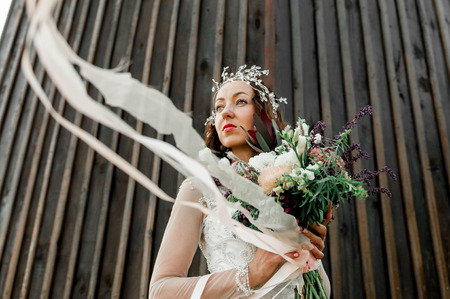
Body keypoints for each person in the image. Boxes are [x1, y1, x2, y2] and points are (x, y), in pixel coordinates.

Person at [149, 66, 331, 298]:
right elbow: (160, 291)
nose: (225, 112)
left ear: (263, 114)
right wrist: (251, 274)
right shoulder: (199, 188)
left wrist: (310, 253)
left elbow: (320, 288)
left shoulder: (294, 183)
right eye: (219, 106)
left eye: (240, 101)